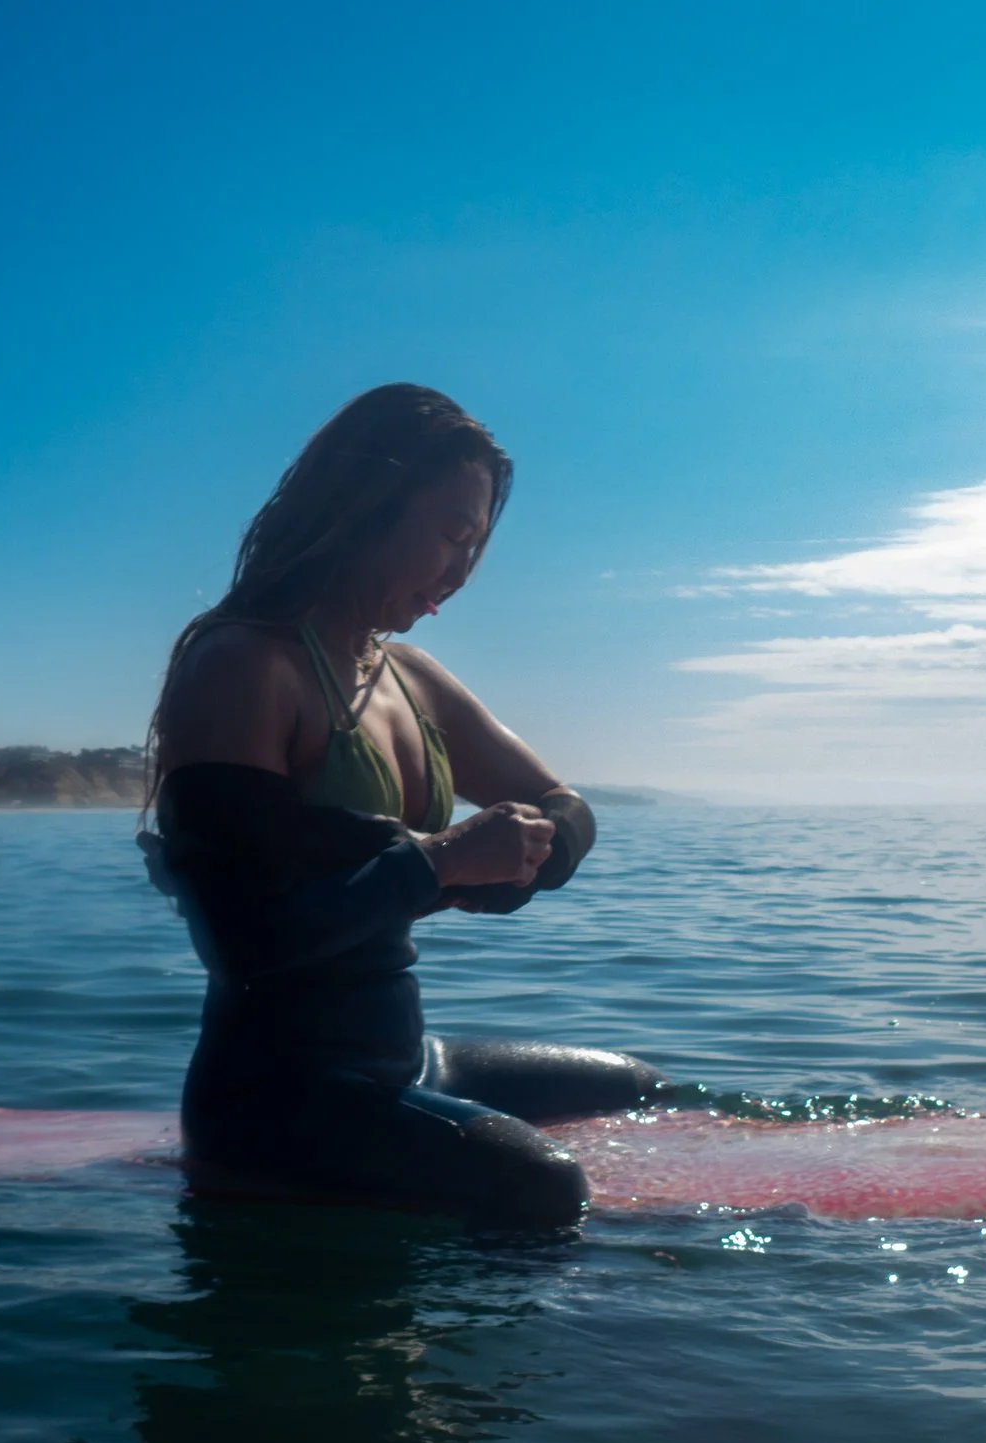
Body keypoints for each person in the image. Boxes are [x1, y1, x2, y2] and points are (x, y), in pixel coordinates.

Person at [141, 384, 663, 1230]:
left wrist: (516, 861)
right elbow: (247, 943)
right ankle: (527, 1362)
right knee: (543, 1187)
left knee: (641, 1089)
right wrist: (440, 862)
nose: (461, 573)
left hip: (407, 1060)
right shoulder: (242, 667)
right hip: (275, 1093)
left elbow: (567, 808)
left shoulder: (408, 676)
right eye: (451, 536)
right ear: (365, 507)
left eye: (479, 547)